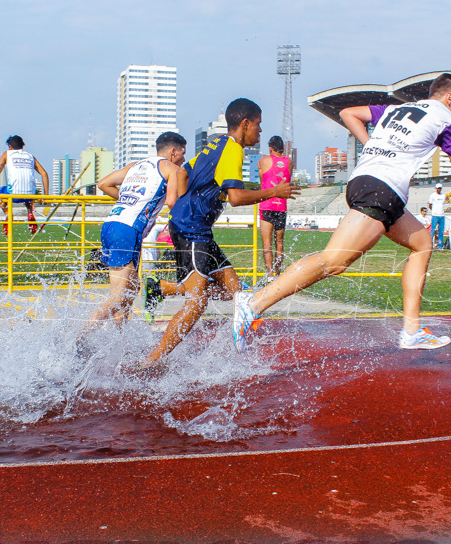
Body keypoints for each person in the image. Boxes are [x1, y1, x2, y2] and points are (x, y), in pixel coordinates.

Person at [233, 73, 451, 352]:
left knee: (422, 243)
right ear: (449, 97)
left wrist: (371, 147)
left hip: (371, 184)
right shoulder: (445, 118)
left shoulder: (398, 109)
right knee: (334, 261)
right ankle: (253, 303)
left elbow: (348, 114)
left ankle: (412, 330)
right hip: (381, 189)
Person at [140, 98, 300, 370]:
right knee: (197, 302)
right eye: (258, 125)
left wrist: (188, 200)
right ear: (245, 123)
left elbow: (184, 173)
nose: (259, 132)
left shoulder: (214, 143)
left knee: (236, 291)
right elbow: (237, 198)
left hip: (194, 226)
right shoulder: (233, 149)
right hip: (192, 228)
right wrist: (274, 192)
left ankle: (160, 288)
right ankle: (150, 362)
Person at [82, 132, 186, 333]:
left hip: (112, 224)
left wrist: (127, 200)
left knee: (128, 291)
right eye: (183, 152)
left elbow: (103, 184)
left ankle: (119, 340)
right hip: (128, 229)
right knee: (120, 296)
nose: (183, 158)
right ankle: (82, 333)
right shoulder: (171, 169)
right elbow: (173, 201)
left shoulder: (135, 166)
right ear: (173, 151)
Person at [0, 135, 49, 236]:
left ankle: (7, 213)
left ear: (10, 147)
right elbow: (44, 173)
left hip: (14, 195)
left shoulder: (7, 154)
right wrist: (46, 196)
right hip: (30, 195)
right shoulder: (30, 156)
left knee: (1, 190)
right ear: (23, 145)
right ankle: (30, 212)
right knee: (28, 192)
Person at [257, 135, 293, 278]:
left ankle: (270, 275)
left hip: (267, 204)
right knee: (279, 243)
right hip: (281, 205)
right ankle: (278, 273)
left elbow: (262, 181)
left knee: (267, 244)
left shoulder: (264, 160)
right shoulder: (289, 162)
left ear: (270, 148)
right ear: (282, 148)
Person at [428, 183, 446, 249]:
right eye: (438, 188)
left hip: (442, 215)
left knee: (441, 231)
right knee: (432, 231)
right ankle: (429, 245)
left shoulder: (443, 195)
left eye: (440, 188)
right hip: (435, 215)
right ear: (436, 188)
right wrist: (434, 211)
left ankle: (440, 246)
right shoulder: (432, 195)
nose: (439, 189)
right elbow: (430, 205)